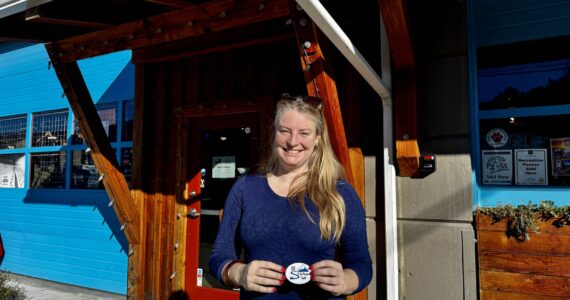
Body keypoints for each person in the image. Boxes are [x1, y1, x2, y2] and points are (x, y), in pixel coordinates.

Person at [209, 94, 372, 299]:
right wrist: (238, 273)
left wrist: (346, 281)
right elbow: (219, 256)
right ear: (274, 133)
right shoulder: (245, 188)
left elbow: (362, 265)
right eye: (284, 131)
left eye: (304, 133)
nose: (292, 142)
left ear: (317, 139)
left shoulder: (340, 193)